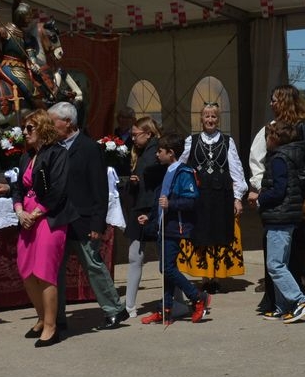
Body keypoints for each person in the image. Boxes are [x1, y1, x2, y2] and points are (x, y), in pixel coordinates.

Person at [247, 85, 305, 313]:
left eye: (274, 99)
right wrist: (262, 185)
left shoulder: (303, 125)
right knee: (272, 245)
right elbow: (257, 159)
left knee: (294, 244)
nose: (271, 103)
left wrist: (294, 181)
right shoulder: (271, 128)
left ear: (284, 101)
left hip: (292, 194)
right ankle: (275, 300)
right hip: (277, 191)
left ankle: (295, 295)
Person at [49, 101, 130, 330]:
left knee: (93, 265)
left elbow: (99, 189)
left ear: (67, 122)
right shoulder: (53, 147)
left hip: (83, 220)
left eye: (53, 121)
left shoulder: (88, 148)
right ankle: (57, 316)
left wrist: (98, 222)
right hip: (59, 220)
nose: (50, 126)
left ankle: (114, 309)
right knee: (55, 269)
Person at [10, 110, 70, 346]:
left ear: (43, 129)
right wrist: (19, 212)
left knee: (44, 273)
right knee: (26, 271)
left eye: (29, 128)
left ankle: (51, 326)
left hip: (49, 218)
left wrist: (34, 214)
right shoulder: (25, 157)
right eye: (24, 128)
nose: (24, 133)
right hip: (27, 218)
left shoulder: (58, 154)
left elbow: (58, 190)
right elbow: (16, 188)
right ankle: (41, 317)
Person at [140, 134, 211, 325]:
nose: (157, 155)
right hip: (163, 225)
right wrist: (151, 216)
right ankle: (166, 309)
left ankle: (197, 297)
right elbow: (160, 200)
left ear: (171, 153)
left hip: (175, 227)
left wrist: (171, 204)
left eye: (160, 151)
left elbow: (192, 200)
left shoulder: (184, 172)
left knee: (167, 268)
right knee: (167, 269)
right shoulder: (167, 171)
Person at [177, 102, 247, 293]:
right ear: (201, 118)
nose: (210, 120)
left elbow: (236, 170)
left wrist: (238, 197)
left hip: (221, 196)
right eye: (207, 116)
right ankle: (205, 276)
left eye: (213, 116)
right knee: (202, 234)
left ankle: (216, 277)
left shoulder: (227, 141)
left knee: (219, 234)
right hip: (199, 197)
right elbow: (180, 166)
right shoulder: (191, 141)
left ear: (218, 119)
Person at [254, 121, 305, 323]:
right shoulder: (289, 156)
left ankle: (299, 301)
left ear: (275, 139)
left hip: (279, 217)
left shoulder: (279, 159)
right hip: (286, 216)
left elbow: (279, 190)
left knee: (275, 265)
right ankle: (282, 306)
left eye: (268, 137)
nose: (266, 141)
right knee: (281, 264)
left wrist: (260, 198)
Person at [122, 116, 165, 318]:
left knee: (163, 258)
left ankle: (183, 298)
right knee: (137, 257)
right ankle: (129, 304)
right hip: (142, 207)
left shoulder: (156, 152)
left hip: (150, 208)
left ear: (148, 134)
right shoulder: (143, 152)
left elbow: (158, 178)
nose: (132, 138)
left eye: (135, 134)